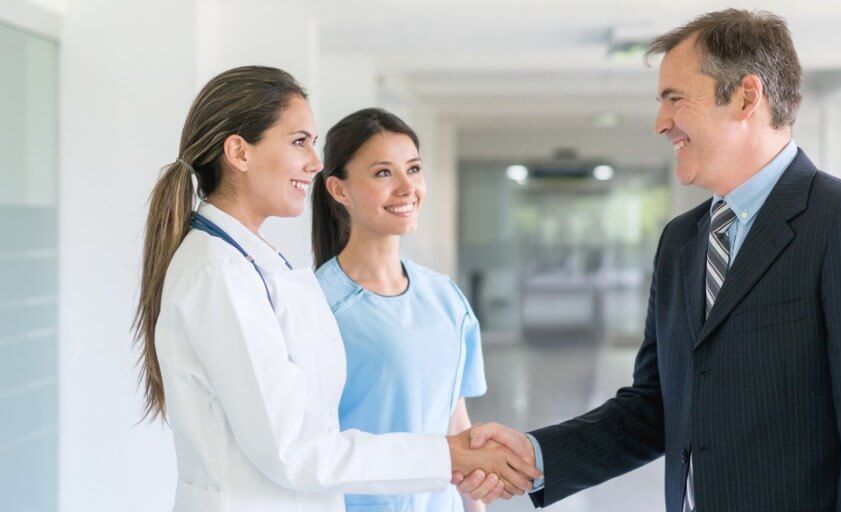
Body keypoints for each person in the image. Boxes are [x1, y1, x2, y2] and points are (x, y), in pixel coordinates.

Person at [455, 9, 841, 512]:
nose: (661, 123)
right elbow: (656, 407)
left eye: (674, 99)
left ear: (747, 96)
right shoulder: (681, 242)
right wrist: (535, 455)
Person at [131, 66, 539, 512]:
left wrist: (454, 459)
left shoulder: (252, 264)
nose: (315, 160)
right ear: (239, 153)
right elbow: (296, 450)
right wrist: (449, 455)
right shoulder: (219, 274)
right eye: (299, 141)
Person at [309, 108, 492, 512]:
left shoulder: (446, 298)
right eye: (383, 173)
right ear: (339, 190)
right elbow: (306, 446)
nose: (407, 187)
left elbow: (455, 424)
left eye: (413, 169)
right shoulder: (315, 305)